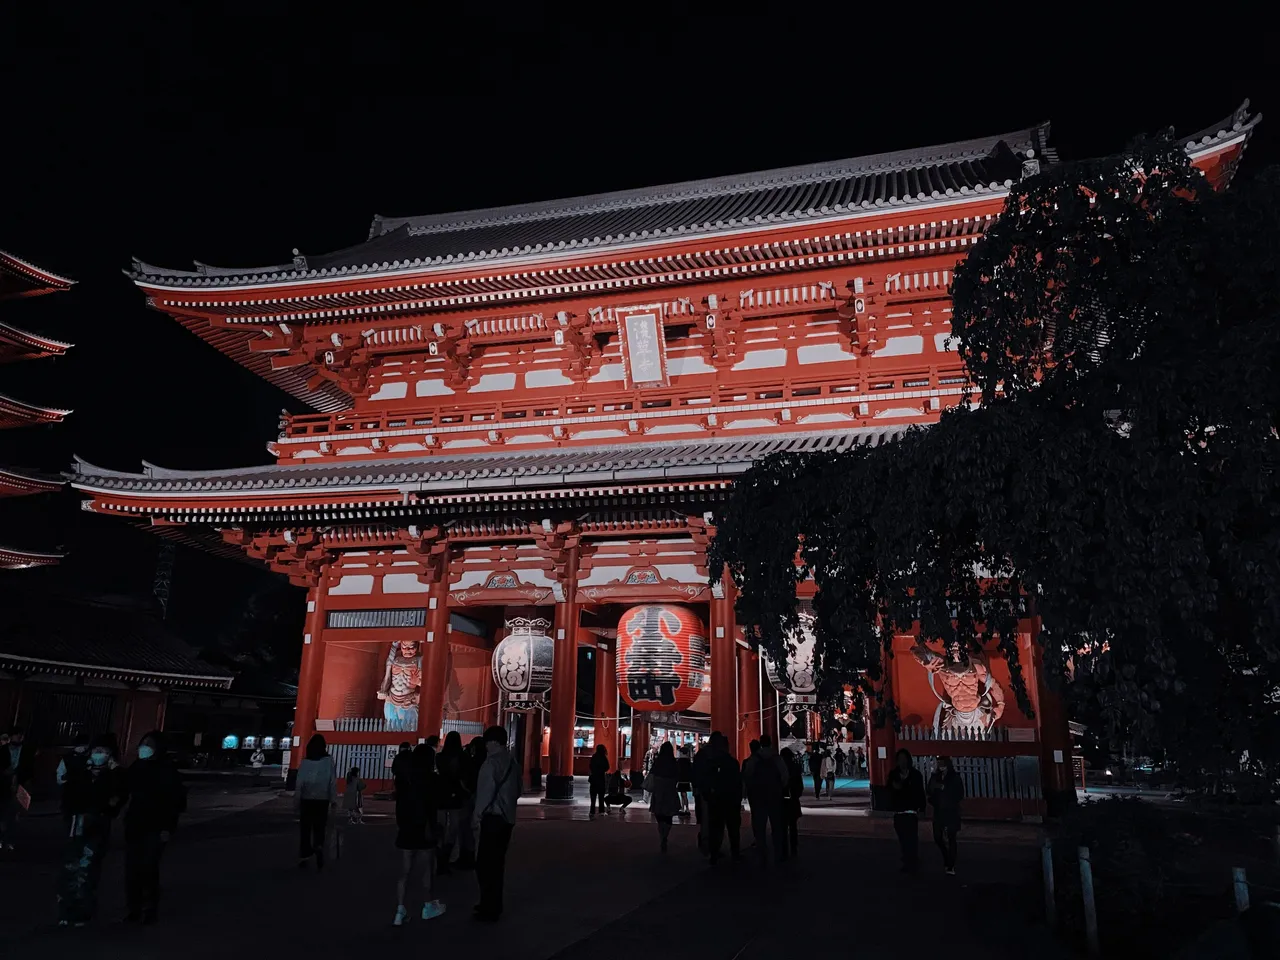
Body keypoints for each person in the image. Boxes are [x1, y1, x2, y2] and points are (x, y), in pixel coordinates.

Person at [58, 735, 126, 926]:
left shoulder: (114, 775)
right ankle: (67, 909)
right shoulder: (81, 770)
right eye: (96, 750)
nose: (99, 755)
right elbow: (68, 793)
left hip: (97, 824)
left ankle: (83, 911)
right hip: (76, 822)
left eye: (103, 751)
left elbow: (118, 797)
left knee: (88, 867)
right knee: (70, 866)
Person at [123, 731, 186, 924]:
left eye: (149, 744)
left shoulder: (167, 771)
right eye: (143, 744)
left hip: (156, 826)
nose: (144, 748)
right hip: (135, 824)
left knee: (149, 867)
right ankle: (133, 909)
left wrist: (168, 827)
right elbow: (124, 788)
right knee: (132, 868)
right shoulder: (137, 767)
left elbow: (175, 802)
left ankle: (149, 908)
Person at [393, 743, 445, 925]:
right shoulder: (433, 779)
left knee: (404, 872)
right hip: (425, 828)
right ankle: (428, 906)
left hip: (407, 827)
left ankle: (400, 910)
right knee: (427, 870)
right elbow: (436, 804)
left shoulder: (406, 779)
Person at [473, 725, 520, 922]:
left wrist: (477, 814)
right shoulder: (513, 762)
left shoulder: (490, 764)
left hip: (492, 817)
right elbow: (519, 790)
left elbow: (485, 791)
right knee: (497, 863)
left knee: (485, 863)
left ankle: (487, 905)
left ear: (492, 742)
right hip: (507, 818)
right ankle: (495, 903)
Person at [742, 734, 788, 864]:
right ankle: (778, 851)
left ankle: (762, 849)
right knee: (776, 824)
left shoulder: (755, 759)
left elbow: (747, 775)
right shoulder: (776, 758)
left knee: (759, 824)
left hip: (759, 796)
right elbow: (785, 776)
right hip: (774, 794)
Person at [295, 734, 337, 870]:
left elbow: (299, 782)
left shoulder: (305, 762)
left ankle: (304, 856)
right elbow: (332, 781)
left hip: (306, 799)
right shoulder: (328, 761)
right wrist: (333, 799)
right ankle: (318, 845)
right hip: (322, 799)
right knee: (320, 827)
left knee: (305, 829)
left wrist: (296, 801)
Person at [704, 732, 742, 864]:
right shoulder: (733, 763)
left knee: (716, 827)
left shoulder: (712, 763)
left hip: (717, 800)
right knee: (733, 828)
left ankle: (714, 853)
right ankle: (735, 853)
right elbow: (738, 782)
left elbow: (708, 781)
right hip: (731, 800)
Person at [888, 748, 926, 873]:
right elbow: (888, 790)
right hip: (899, 811)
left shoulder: (915, 775)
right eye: (900, 759)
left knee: (912, 838)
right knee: (903, 838)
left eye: (904, 759)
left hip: (911, 811)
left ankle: (913, 861)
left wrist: (922, 808)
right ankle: (907, 860)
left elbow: (920, 792)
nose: (902, 762)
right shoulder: (893, 774)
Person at [435, 731, 467, 870]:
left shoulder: (439, 757)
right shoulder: (463, 757)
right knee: (454, 825)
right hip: (457, 792)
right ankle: (449, 851)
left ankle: (439, 849)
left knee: (441, 824)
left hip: (441, 792)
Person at [927, 756, 964, 875]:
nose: (940, 765)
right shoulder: (935, 776)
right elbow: (929, 790)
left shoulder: (954, 777)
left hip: (951, 810)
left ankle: (950, 864)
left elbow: (959, 794)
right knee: (937, 837)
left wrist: (945, 790)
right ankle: (946, 856)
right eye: (938, 763)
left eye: (942, 763)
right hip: (939, 810)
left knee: (952, 837)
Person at [1, 728, 35, 850]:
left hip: (21, 784)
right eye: (17, 735)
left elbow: (30, 768)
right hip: (4, 785)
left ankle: (9, 839)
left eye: (21, 735)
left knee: (14, 814)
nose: (19, 737)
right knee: (3, 812)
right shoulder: (3, 750)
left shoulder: (27, 751)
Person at [454, 736, 485, 870]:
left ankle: (466, 855)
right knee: (475, 829)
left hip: (469, 795)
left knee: (465, 827)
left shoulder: (471, 761)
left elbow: (463, 776)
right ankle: (474, 856)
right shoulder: (486, 762)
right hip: (481, 797)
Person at [646, 741, 680, 853]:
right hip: (670, 791)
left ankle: (662, 835)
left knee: (659, 815)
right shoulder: (674, 763)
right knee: (668, 816)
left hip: (659, 792)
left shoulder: (658, 762)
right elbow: (677, 777)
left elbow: (652, 775)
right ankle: (665, 835)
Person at [780, 746, 803, 858]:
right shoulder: (795, 768)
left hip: (781, 801)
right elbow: (800, 786)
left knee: (782, 826)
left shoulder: (778, 769)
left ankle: (783, 849)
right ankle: (794, 847)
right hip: (793, 800)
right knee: (793, 826)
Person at [690, 736, 712, 853]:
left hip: (702, 790)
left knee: (705, 818)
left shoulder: (699, 756)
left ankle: (705, 842)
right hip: (709, 791)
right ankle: (708, 843)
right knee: (710, 818)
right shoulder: (713, 758)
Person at [588, 744, 610, 817]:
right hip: (601, 778)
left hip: (594, 778)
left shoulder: (594, 757)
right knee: (601, 796)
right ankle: (601, 811)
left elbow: (590, 766)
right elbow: (607, 767)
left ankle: (592, 811)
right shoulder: (603, 757)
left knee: (593, 797)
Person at [675, 745, 693, 816]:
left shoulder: (679, 761)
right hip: (686, 780)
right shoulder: (688, 762)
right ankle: (685, 808)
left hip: (681, 780)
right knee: (684, 794)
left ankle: (684, 808)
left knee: (683, 794)